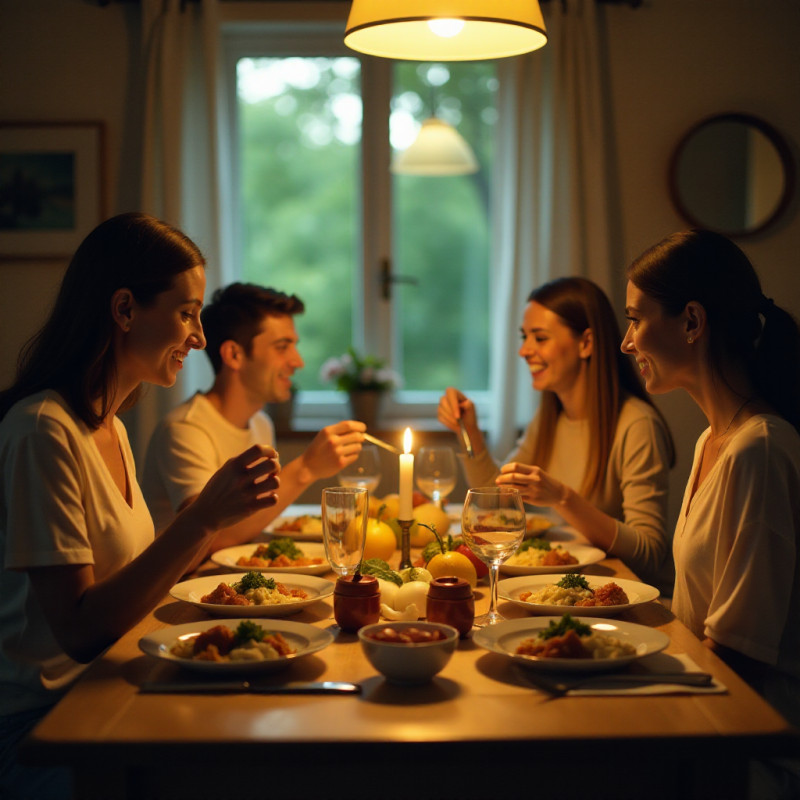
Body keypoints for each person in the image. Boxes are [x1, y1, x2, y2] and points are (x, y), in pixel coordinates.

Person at [0, 213, 281, 799]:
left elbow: (134, 587)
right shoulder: (42, 431)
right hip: (42, 724)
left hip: (110, 684)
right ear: (125, 309)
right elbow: (78, 631)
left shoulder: (114, 429)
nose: (198, 337)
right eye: (186, 313)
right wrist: (204, 518)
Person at [622, 229, 800, 797]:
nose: (627, 343)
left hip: (746, 748)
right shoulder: (710, 442)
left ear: (692, 322)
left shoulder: (761, 449)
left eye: (635, 319)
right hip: (703, 711)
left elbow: (740, 660)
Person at [438, 276, 674, 586]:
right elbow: (495, 499)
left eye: (540, 337)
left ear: (586, 343)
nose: (524, 351)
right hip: (566, 587)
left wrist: (563, 498)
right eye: (524, 337)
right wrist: (470, 432)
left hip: (621, 599)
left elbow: (650, 552)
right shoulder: (550, 419)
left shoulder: (637, 425)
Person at [142, 282, 366, 570]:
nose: (297, 362)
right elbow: (208, 538)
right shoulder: (185, 429)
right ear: (234, 354)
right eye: (282, 347)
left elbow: (250, 523)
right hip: (181, 594)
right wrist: (306, 468)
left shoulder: (261, 424)